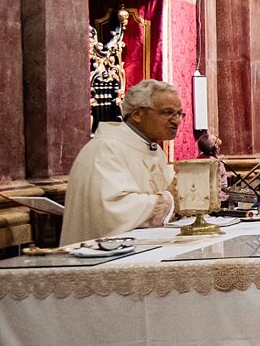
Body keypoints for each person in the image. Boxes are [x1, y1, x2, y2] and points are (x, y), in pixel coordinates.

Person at [60, 78, 182, 244]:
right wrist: (169, 200)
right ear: (137, 114)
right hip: (103, 258)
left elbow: (172, 191)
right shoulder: (106, 149)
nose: (176, 121)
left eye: (179, 114)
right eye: (167, 112)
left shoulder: (153, 149)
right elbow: (112, 210)